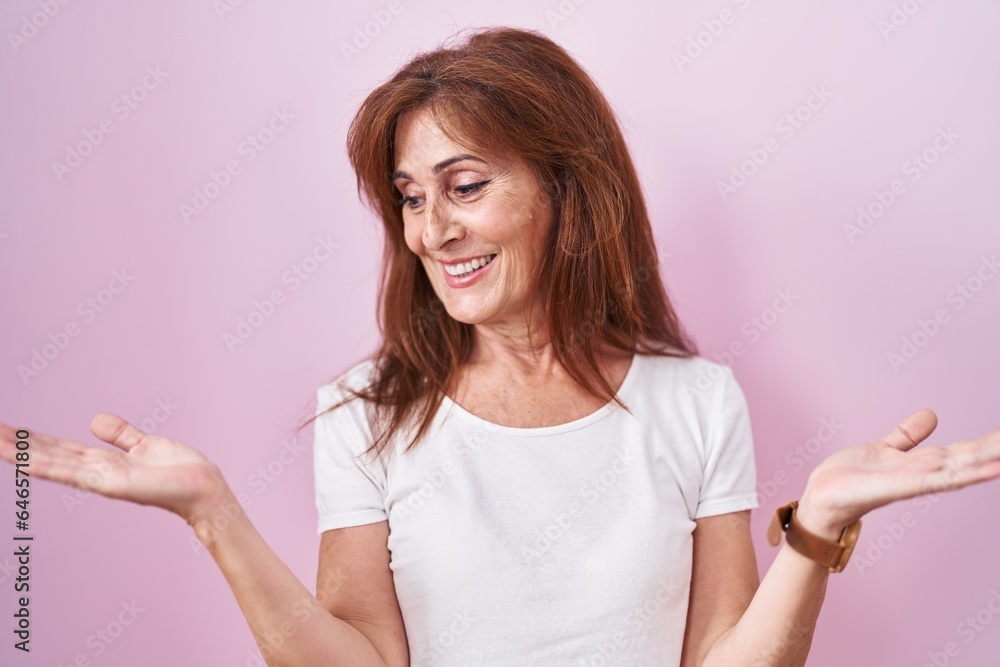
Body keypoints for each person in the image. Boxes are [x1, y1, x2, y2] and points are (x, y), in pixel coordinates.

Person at [2, 26, 999, 667]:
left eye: (465, 186)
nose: (431, 230)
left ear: (567, 194)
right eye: (409, 197)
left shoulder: (699, 402)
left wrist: (815, 530)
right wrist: (213, 514)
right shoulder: (366, 412)